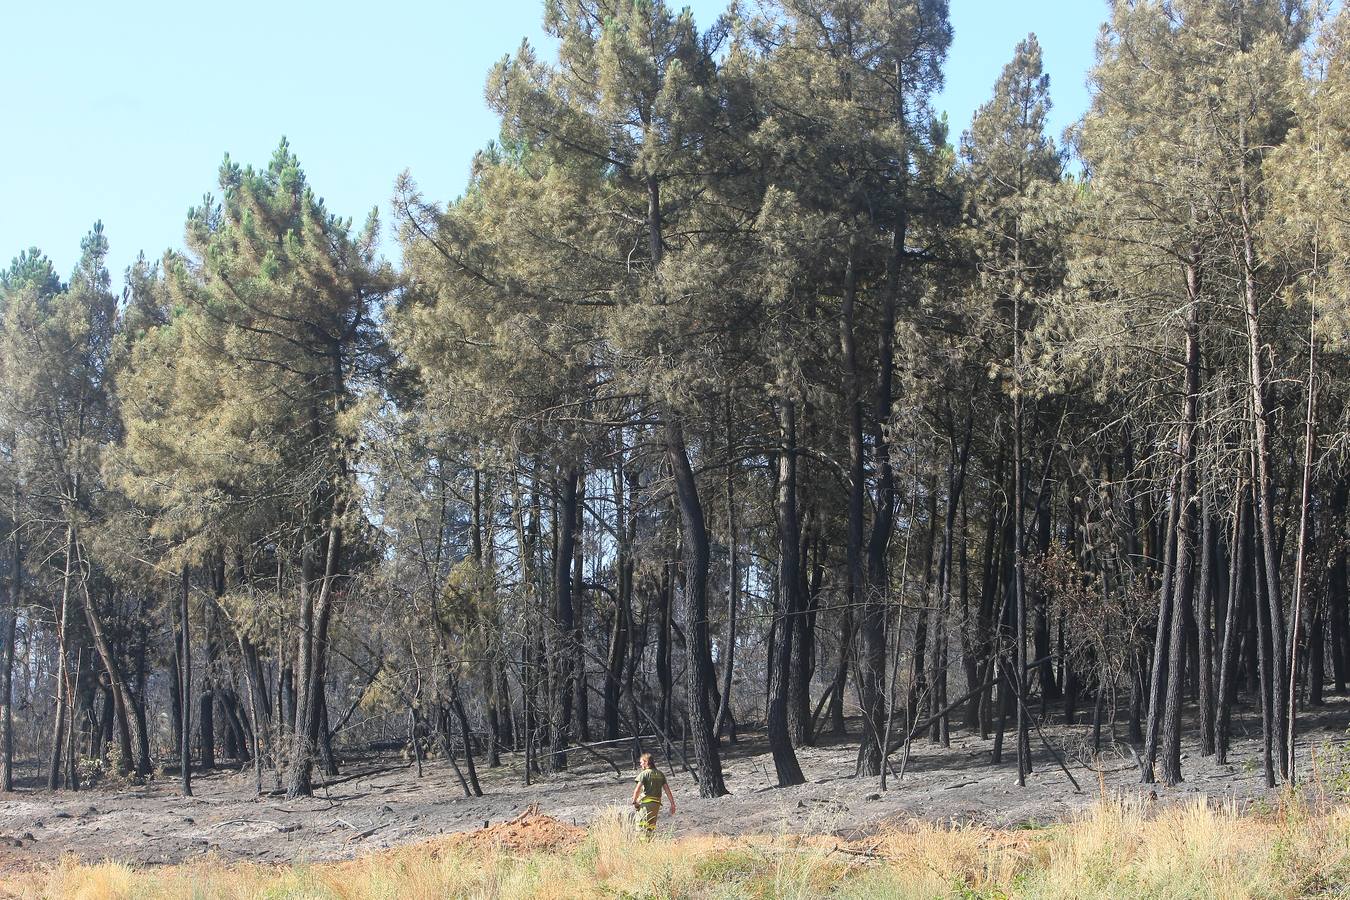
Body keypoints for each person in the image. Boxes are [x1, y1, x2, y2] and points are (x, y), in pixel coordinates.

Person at [631, 752, 675, 837]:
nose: (640, 764)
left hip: (646, 804)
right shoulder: (660, 774)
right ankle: (650, 844)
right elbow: (667, 790)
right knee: (651, 826)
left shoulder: (644, 774)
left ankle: (643, 846)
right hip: (656, 805)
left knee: (641, 826)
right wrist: (672, 804)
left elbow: (637, 789)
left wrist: (634, 801)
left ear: (646, 762)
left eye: (641, 762)